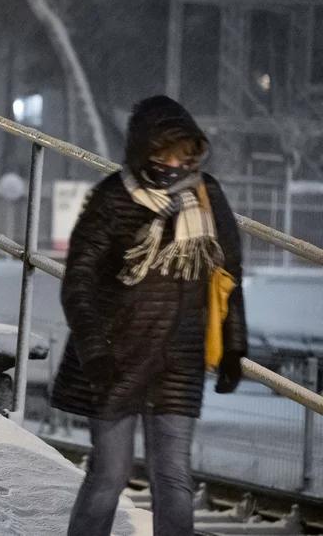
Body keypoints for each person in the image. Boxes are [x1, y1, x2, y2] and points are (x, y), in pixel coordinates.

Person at [53, 95, 247, 536]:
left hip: (178, 357)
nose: (174, 163)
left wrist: (234, 346)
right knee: (110, 474)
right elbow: (78, 280)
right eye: (162, 152)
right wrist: (94, 351)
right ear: (143, 150)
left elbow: (227, 275)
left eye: (183, 152)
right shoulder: (112, 198)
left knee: (174, 478)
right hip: (116, 358)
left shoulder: (206, 195)